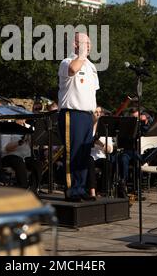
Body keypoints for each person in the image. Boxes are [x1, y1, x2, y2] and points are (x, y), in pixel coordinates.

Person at [58, 32, 99, 202]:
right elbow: (73, 70)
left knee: (84, 154)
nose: (89, 46)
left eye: (90, 43)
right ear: (75, 45)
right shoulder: (67, 62)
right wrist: (81, 54)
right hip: (72, 114)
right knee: (72, 153)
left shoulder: (91, 66)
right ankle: (70, 189)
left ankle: (81, 188)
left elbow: (92, 92)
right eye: (85, 43)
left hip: (87, 115)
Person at [87, 106, 113, 198]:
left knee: (108, 163)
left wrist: (101, 144)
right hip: (88, 155)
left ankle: (103, 191)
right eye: (95, 112)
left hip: (100, 156)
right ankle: (92, 190)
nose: (98, 114)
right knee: (89, 161)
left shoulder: (105, 129)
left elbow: (110, 149)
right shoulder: (87, 128)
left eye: (99, 112)